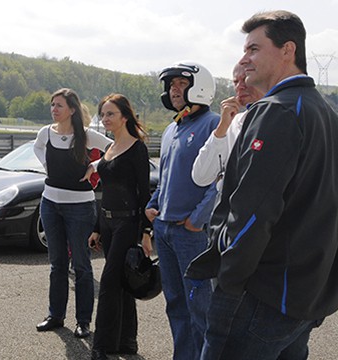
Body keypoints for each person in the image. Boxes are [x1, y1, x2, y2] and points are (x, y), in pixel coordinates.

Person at [187, 10, 338, 359]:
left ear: (288, 50)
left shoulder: (276, 111)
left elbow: (252, 213)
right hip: (304, 297)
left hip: (261, 294)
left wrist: (228, 280)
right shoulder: (326, 113)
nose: (244, 58)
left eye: (254, 48)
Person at [145, 61, 219, 360]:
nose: (175, 90)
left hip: (191, 233)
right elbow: (166, 177)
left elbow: (220, 181)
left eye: (181, 84)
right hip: (164, 229)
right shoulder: (172, 128)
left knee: (200, 306)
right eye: (171, 85)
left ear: (199, 87)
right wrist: (152, 207)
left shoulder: (213, 124)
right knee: (175, 304)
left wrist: (197, 220)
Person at [32, 88, 112, 338]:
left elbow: (116, 147)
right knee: (57, 265)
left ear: (72, 110)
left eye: (59, 105)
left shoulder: (87, 136)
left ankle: (83, 321)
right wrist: (47, 166)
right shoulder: (45, 133)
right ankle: (55, 316)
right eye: (52, 105)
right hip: (50, 204)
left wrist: (95, 165)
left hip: (80, 207)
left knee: (81, 265)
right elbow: (37, 149)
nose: (54, 109)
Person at [86, 94, 150, 359]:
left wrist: (146, 232)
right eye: (103, 114)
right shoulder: (109, 149)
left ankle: (101, 345)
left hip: (128, 222)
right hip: (109, 222)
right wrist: (97, 228)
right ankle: (127, 341)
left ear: (125, 116)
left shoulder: (137, 148)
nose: (105, 119)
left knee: (110, 282)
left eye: (110, 114)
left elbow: (144, 193)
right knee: (121, 281)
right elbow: (106, 192)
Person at [191, 63, 261, 187]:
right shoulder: (233, 124)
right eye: (235, 82)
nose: (240, 87)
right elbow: (201, 177)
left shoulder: (281, 118)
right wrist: (222, 128)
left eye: (245, 79)